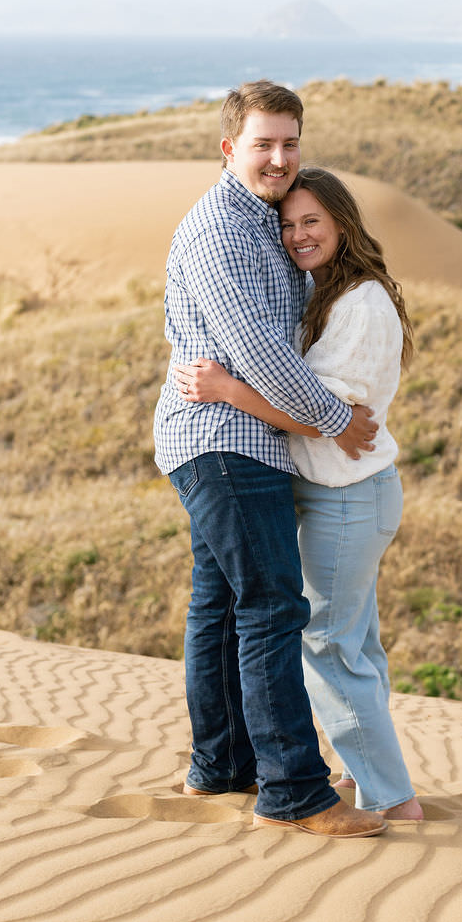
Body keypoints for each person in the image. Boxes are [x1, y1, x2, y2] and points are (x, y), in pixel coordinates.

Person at [153, 81, 387, 838]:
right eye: (263, 144)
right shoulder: (221, 229)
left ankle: (219, 767)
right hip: (225, 442)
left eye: (290, 143)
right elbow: (255, 351)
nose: (279, 158)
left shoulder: (263, 223)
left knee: (221, 606)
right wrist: (333, 422)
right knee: (273, 607)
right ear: (231, 149)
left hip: (241, 438)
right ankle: (294, 792)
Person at [176, 166, 423, 822]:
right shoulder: (326, 296)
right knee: (353, 645)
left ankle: (393, 800)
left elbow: (325, 417)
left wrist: (228, 391)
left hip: (350, 497)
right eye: (287, 224)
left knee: (330, 646)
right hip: (336, 496)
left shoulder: (361, 305)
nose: (297, 235)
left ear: (342, 222)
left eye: (312, 220)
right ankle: (368, 778)